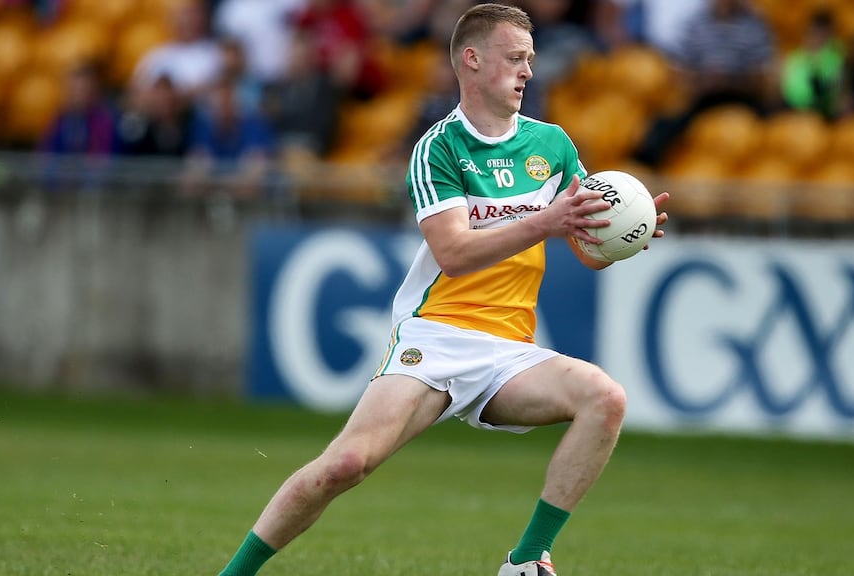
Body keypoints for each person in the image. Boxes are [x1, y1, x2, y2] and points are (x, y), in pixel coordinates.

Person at [216, 4, 669, 575]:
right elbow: (453, 254)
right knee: (345, 465)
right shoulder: (440, 147)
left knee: (606, 400)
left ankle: (526, 561)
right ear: (472, 61)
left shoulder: (552, 144)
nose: (529, 70)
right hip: (436, 338)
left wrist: (623, 233)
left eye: (529, 58)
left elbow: (581, 244)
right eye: (515, 58)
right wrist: (543, 222)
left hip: (509, 350)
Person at [631, 0, 777, 168]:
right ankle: (646, 165)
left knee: (777, 123)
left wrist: (733, 80)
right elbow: (681, 69)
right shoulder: (696, 23)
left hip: (743, 95)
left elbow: (762, 73)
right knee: (665, 125)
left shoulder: (753, 25)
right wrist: (703, 80)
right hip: (705, 95)